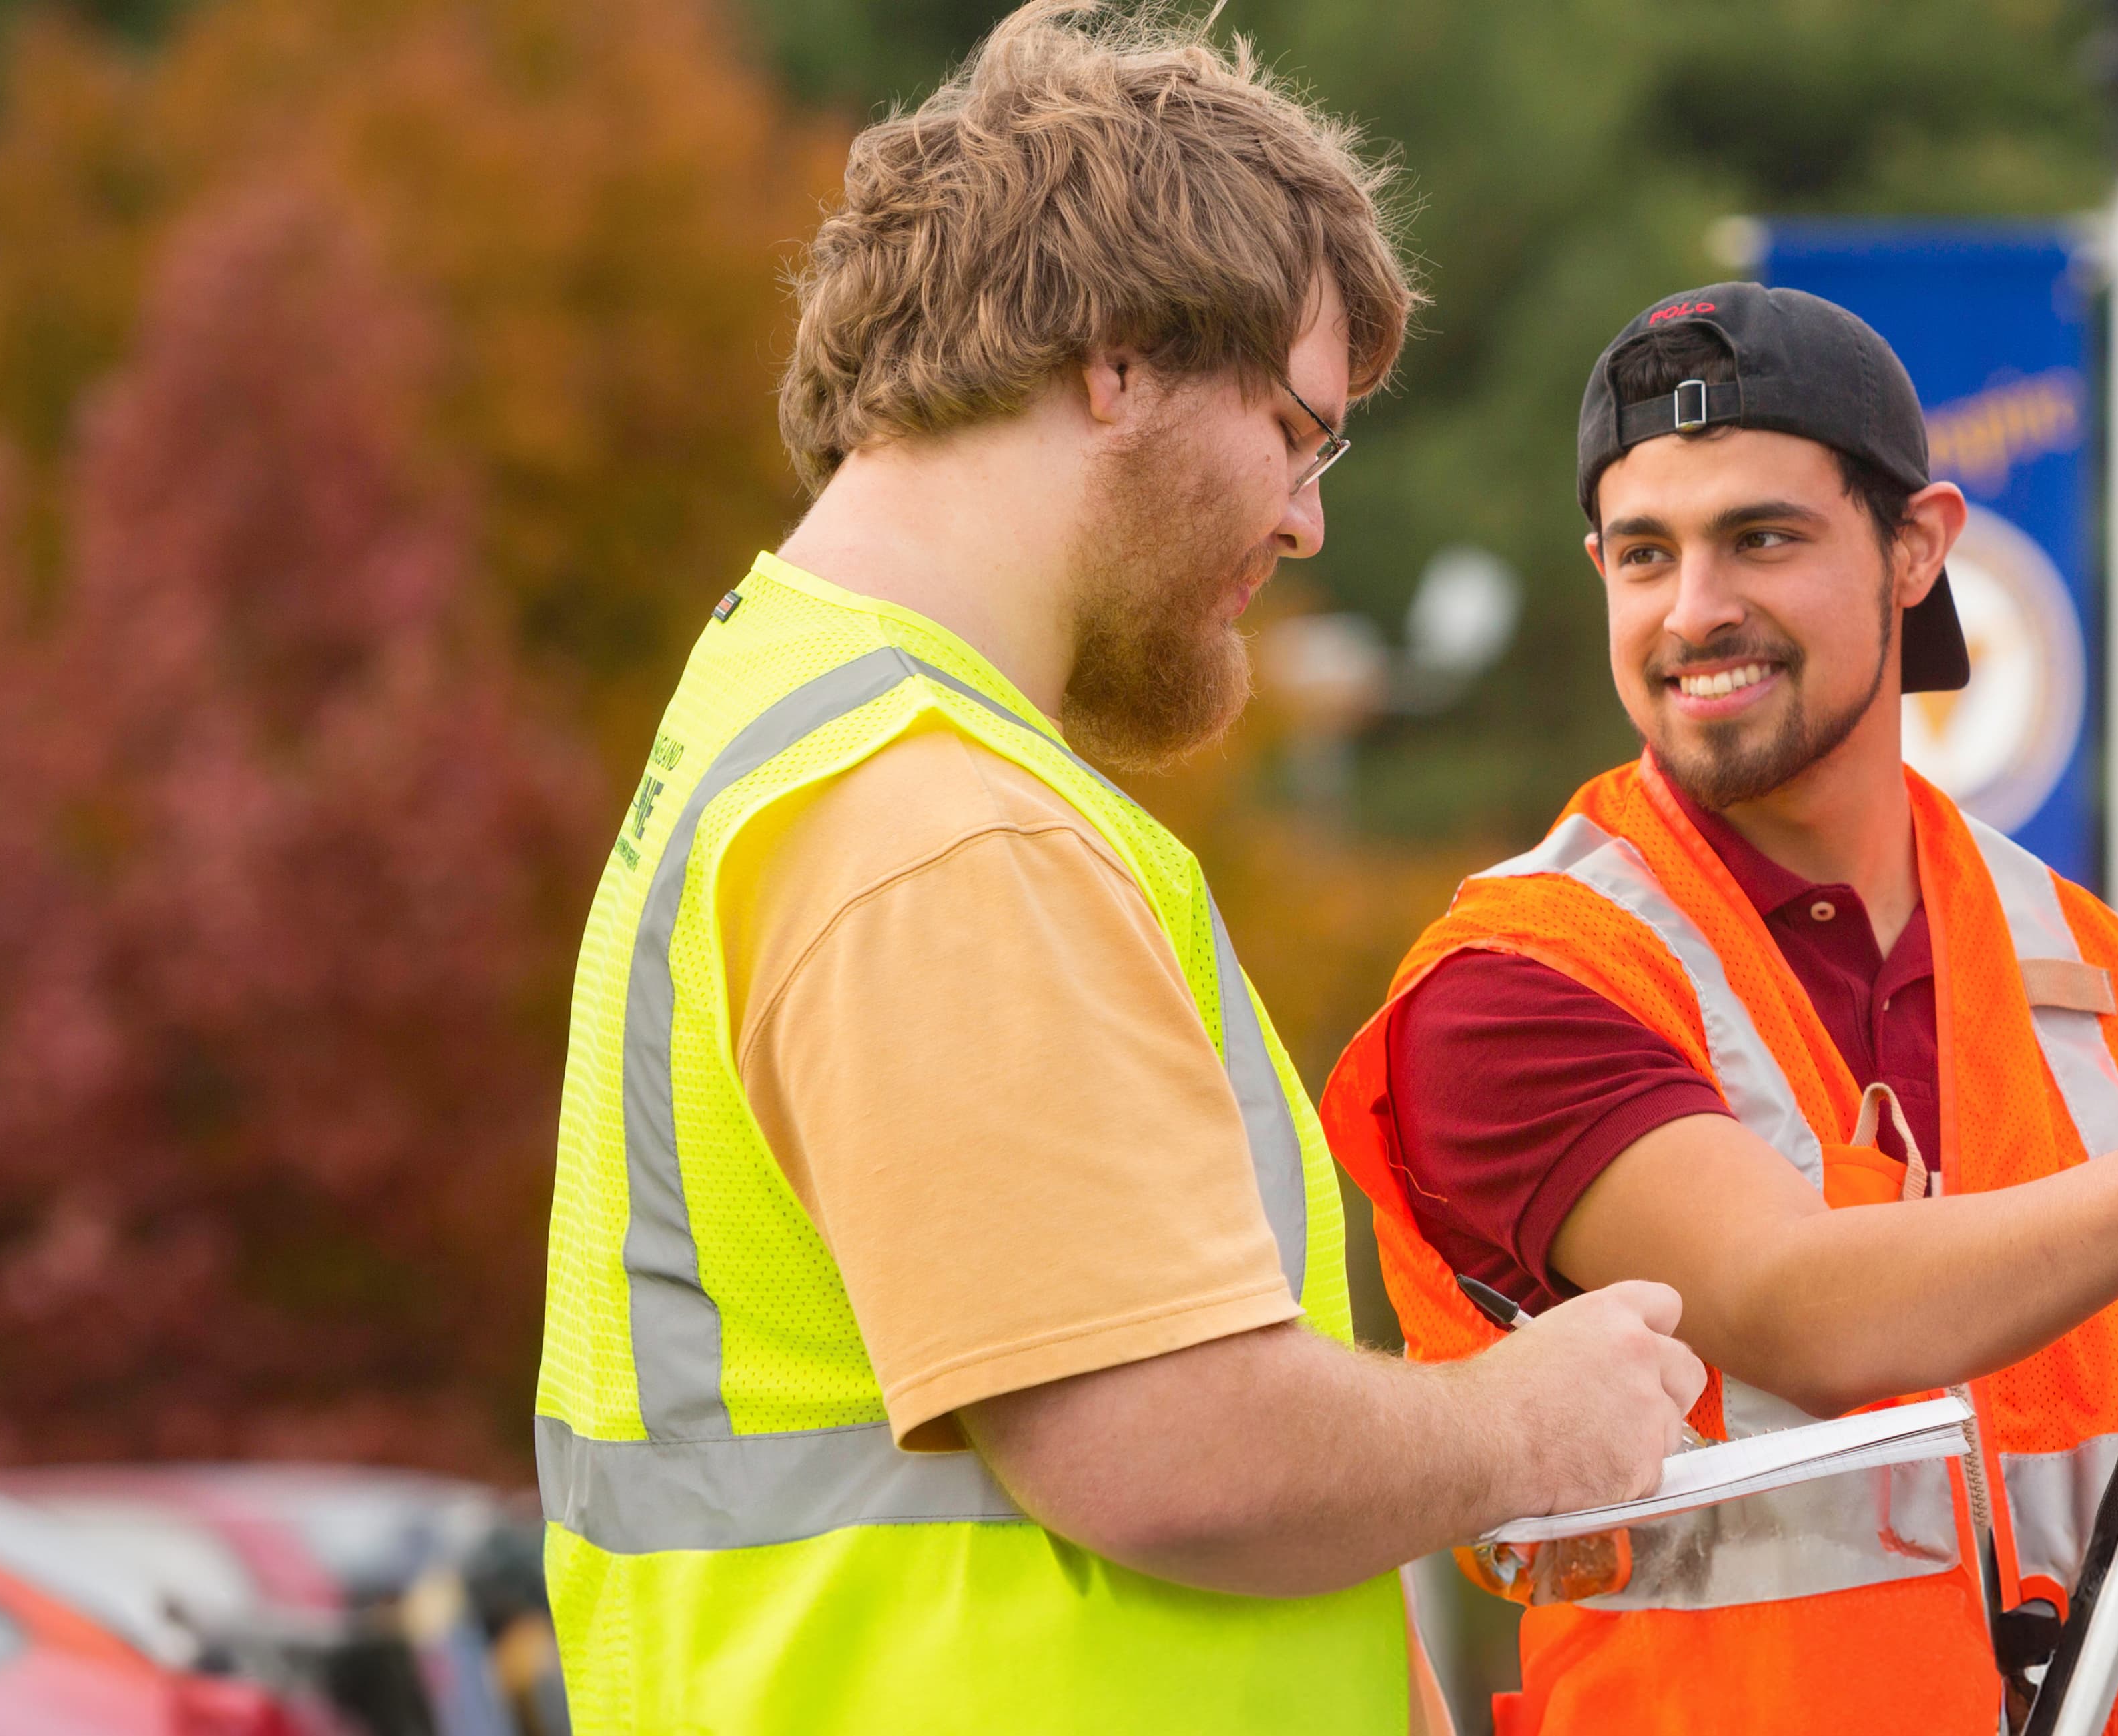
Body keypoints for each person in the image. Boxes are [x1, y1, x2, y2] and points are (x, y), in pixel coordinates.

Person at [528, 8, 1701, 1731]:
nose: (1305, 521)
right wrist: (1520, 1425)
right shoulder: (930, 820)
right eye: (1301, 432)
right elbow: (1167, 1446)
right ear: (1124, 355)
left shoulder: (808, 726)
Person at [1320, 283, 2118, 1736]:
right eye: (1644, 554)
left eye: (1761, 537)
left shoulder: (2109, 973)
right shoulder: (1516, 979)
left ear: (1920, 545)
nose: (1696, 609)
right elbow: (1794, 1304)